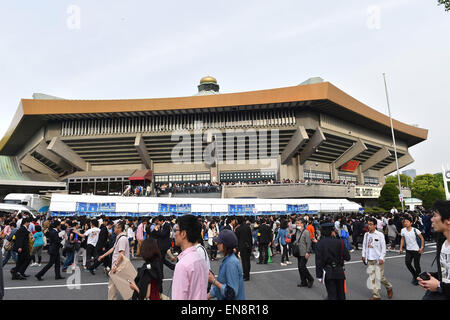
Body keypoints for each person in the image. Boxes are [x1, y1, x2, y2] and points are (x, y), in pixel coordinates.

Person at [418, 200, 450, 300]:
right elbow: (446, 275)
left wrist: (439, 286)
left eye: (435, 216)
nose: (432, 219)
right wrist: (432, 277)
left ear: (448, 220)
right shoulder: (442, 243)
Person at [171, 214, 208, 300]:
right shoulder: (200, 259)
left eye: (176, 230)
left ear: (183, 234)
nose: (175, 234)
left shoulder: (182, 265)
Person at [315, 222, 351, 300]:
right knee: (341, 294)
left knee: (332, 294)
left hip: (328, 272)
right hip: (339, 271)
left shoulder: (319, 244)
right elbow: (347, 257)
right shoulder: (339, 242)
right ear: (332, 231)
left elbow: (318, 261)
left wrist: (319, 276)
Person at [208, 229, 245, 300]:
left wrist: (214, 281)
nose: (217, 244)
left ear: (225, 244)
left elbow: (231, 293)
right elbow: (222, 285)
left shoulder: (231, 263)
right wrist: (207, 296)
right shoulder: (228, 259)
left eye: (219, 242)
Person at [362, 218, 393, 300]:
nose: (369, 226)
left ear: (375, 225)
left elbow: (383, 247)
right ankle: (376, 295)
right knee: (372, 278)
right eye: (368, 224)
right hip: (369, 259)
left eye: (371, 224)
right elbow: (364, 246)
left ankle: (389, 287)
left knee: (380, 277)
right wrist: (363, 255)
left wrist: (382, 257)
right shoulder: (366, 235)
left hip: (378, 259)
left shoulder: (379, 234)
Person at [97, 221, 130, 300]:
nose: (113, 228)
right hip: (120, 265)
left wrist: (115, 266)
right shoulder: (119, 237)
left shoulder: (122, 239)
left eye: (115, 227)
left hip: (119, 265)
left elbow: (121, 253)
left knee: (113, 285)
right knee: (119, 284)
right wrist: (103, 255)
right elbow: (113, 248)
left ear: (119, 228)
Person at [399, 215, 424, 285]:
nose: (406, 223)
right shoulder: (403, 230)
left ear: (411, 223)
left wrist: (421, 247)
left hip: (416, 250)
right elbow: (402, 239)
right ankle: (414, 275)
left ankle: (418, 278)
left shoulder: (415, 230)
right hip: (408, 250)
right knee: (407, 263)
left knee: (417, 265)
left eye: (407, 222)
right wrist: (401, 248)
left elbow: (422, 238)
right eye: (405, 222)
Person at [294, 219, 314, 288]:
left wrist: (308, 252)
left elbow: (309, 242)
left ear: (303, 224)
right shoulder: (298, 232)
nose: (297, 224)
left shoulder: (306, 232)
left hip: (304, 252)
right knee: (300, 267)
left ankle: (310, 279)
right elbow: (297, 240)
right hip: (298, 252)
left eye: (298, 223)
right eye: (297, 223)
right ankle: (303, 282)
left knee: (302, 267)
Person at [234, 217, 253, 281]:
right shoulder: (248, 227)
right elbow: (250, 237)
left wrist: (237, 248)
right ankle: (247, 274)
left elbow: (237, 239)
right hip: (248, 246)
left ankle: (245, 275)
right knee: (248, 261)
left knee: (244, 261)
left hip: (242, 247)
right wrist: (251, 245)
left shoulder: (238, 229)